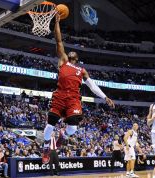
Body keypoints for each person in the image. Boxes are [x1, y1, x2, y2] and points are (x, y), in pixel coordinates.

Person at [42, 14, 115, 164]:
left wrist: (105, 97)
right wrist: (56, 23)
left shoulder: (82, 70)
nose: (70, 53)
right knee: (50, 125)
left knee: (73, 129)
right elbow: (58, 40)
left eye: (73, 53)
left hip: (74, 99)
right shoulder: (63, 60)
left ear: (76, 58)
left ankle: (63, 134)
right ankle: (46, 147)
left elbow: (92, 85)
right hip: (60, 96)